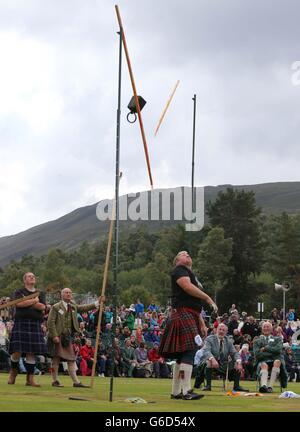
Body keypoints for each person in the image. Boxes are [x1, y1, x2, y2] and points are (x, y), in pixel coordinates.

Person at [158, 250, 218, 400]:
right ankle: (187, 391)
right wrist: (208, 298)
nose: (187, 254)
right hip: (183, 314)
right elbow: (187, 287)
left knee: (182, 354)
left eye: (188, 253)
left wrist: (202, 323)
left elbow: (194, 304)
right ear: (177, 260)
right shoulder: (179, 270)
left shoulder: (189, 273)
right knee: (189, 350)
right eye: (183, 254)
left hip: (190, 314)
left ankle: (176, 391)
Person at [47, 287, 103, 388]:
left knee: (71, 359)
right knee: (55, 359)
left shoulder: (73, 306)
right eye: (66, 292)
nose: (68, 294)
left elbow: (84, 308)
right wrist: (54, 335)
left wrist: (97, 303)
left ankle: (76, 382)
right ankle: (54, 380)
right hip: (58, 336)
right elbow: (50, 322)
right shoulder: (56, 307)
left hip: (67, 337)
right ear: (62, 295)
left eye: (70, 293)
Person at [8, 272, 47, 387]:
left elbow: (43, 307)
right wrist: (34, 301)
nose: (32, 278)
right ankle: (13, 372)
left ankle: (30, 379)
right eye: (30, 276)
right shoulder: (19, 292)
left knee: (32, 352)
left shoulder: (40, 293)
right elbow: (18, 304)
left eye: (34, 276)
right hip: (21, 322)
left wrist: (28, 301)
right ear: (24, 280)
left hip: (35, 323)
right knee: (17, 351)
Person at [201, 323, 248, 391]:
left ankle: (236, 386)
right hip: (211, 362)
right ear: (216, 330)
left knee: (237, 362)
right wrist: (213, 359)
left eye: (223, 330)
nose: (221, 331)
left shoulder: (228, 341)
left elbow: (234, 353)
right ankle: (208, 386)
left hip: (224, 363)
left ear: (226, 332)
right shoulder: (209, 339)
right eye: (220, 329)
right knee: (209, 362)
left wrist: (239, 362)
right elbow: (206, 351)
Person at [253, 321, 287, 393]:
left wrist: (265, 349)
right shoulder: (257, 341)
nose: (266, 328)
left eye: (268, 327)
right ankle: (264, 386)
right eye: (264, 327)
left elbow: (278, 350)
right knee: (263, 364)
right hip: (262, 362)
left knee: (277, 361)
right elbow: (257, 354)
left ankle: (270, 387)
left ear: (271, 329)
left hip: (275, 362)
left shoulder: (278, 339)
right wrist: (273, 353)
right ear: (262, 329)